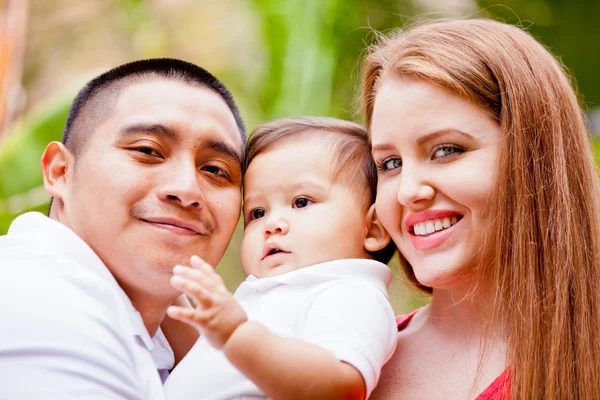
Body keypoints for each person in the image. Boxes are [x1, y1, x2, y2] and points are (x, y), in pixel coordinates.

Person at [362, 18, 600, 399]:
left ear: (535, 158)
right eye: (390, 163)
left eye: (446, 150)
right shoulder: (345, 360)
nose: (408, 191)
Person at [0, 58, 246, 399]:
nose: (188, 189)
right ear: (59, 171)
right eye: (147, 150)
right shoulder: (39, 304)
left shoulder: (158, 337)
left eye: (216, 170)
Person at [163, 117, 398, 400]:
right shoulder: (278, 294)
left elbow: (341, 387)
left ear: (371, 229)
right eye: (257, 212)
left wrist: (237, 334)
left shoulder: (350, 293)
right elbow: (202, 363)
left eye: (301, 202)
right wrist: (165, 293)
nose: (272, 224)